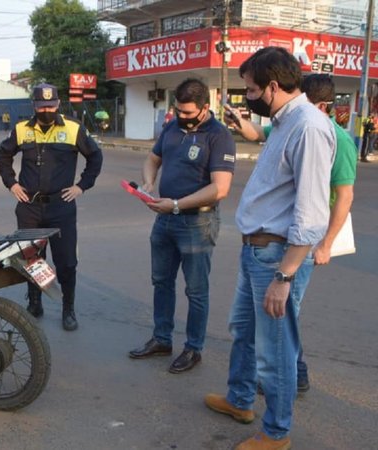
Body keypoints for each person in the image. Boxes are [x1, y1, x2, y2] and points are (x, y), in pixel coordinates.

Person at [204, 47, 336, 450]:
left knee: (275, 349)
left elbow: (312, 214)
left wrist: (284, 275)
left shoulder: (309, 127)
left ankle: (276, 433)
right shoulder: (284, 121)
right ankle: (241, 400)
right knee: (242, 331)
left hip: (276, 257)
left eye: (251, 89)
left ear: (273, 86)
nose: (249, 96)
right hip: (256, 250)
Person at [224, 73, 357, 395]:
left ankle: (293, 381)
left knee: (281, 323)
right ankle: (253, 392)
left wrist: (324, 245)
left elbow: (343, 196)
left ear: (319, 105)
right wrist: (240, 122)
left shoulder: (330, 135)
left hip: (298, 241)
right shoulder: (290, 122)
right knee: (259, 324)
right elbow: (259, 133)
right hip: (272, 238)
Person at [128, 78, 236, 373]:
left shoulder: (219, 136)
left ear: (205, 108)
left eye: (188, 113)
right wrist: (149, 182)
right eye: (178, 110)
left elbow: (220, 189)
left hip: (197, 222)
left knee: (196, 290)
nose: (182, 117)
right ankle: (162, 338)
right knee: (161, 282)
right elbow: (152, 159)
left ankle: (193, 348)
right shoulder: (171, 128)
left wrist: (176, 204)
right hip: (164, 220)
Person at [0, 83, 103, 331]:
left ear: (58, 104)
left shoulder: (74, 129)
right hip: (29, 207)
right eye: (41, 105)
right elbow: (4, 156)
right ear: (33, 105)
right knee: (32, 259)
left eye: (51, 105)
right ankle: (35, 302)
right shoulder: (21, 129)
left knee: (66, 262)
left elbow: (95, 157)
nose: (47, 109)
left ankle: (68, 309)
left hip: (61, 207)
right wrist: (11, 183)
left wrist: (82, 186)